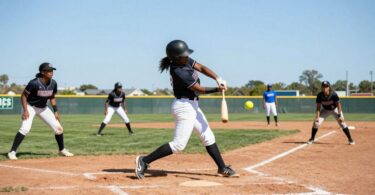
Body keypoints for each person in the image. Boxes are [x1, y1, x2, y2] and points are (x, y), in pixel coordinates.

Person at [135, 40, 238, 179]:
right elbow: (198, 89)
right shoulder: (178, 71)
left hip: (193, 106)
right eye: (184, 55)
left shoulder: (185, 61)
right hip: (184, 107)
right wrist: (217, 89)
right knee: (178, 145)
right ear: (176, 58)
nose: (187, 56)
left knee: (207, 136)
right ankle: (144, 161)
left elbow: (201, 67)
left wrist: (217, 78)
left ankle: (222, 168)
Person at [7, 62, 74, 160]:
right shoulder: (34, 83)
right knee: (25, 128)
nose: (51, 72)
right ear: (43, 72)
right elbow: (23, 96)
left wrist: (55, 111)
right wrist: (25, 110)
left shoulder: (53, 83)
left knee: (58, 128)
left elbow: (52, 97)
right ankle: (12, 152)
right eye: (49, 71)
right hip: (30, 107)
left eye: (52, 70)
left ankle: (62, 150)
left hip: (43, 108)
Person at [307, 81, 355, 145]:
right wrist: (317, 117)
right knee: (316, 123)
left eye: (326, 87)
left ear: (329, 87)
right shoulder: (319, 95)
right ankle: (312, 139)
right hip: (325, 110)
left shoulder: (334, 95)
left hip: (335, 109)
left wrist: (339, 115)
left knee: (342, 123)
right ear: (321, 88)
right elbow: (318, 107)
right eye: (323, 87)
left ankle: (350, 139)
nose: (325, 88)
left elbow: (338, 105)